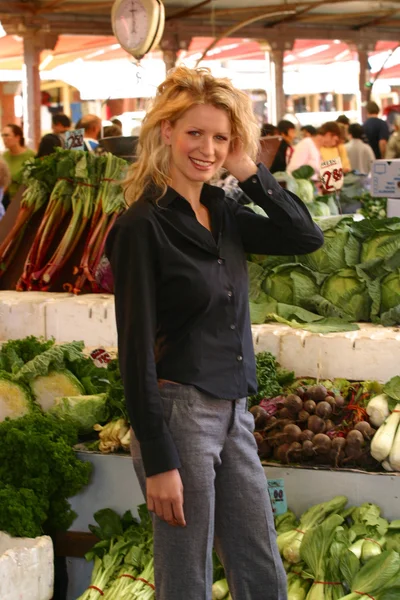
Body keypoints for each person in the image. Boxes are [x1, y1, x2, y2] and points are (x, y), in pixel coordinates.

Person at [106, 66, 323, 600]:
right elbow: (134, 350)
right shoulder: (142, 226)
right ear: (166, 134)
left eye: (221, 137)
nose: (206, 149)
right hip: (178, 413)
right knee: (186, 577)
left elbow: (305, 236)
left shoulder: (223, 211)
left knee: (260, 563)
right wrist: (157, 459)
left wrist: (250, 171)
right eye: (195, 133)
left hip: (234, 412)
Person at [1, 124, 35, 205]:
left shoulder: (31, 156)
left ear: (17, 137)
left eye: (7, 135)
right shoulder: (4, 157)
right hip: (7, 200)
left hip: (26, 202)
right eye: (2, 135)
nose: (4, 139)